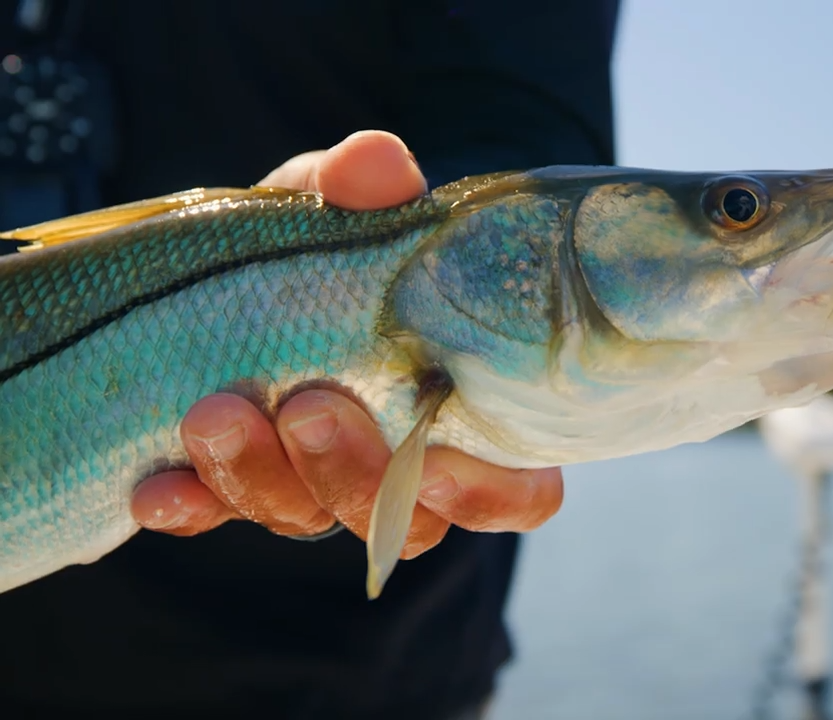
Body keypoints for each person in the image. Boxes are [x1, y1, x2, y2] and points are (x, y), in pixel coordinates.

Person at [0, 2, 620, 718]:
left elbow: (522, 136)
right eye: (738, 211)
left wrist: (338, 255)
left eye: (738, 211)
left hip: (342, 676)